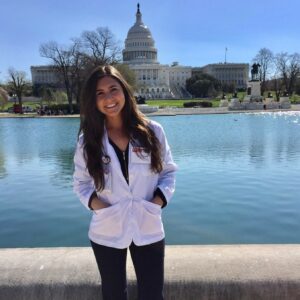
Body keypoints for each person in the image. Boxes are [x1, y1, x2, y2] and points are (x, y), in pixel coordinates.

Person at [73, 65, 177, 300]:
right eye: (100, 93)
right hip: (107, 227)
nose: (109, 98)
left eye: (113, 89)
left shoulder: (153, 131)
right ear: (93, 100)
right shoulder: (87, 141)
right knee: (113, 295)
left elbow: (168, 172)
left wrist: (156, 203)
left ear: (125, 91)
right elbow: (81, 184)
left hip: (147, 223)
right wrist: (104, 210)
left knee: (152, 295)